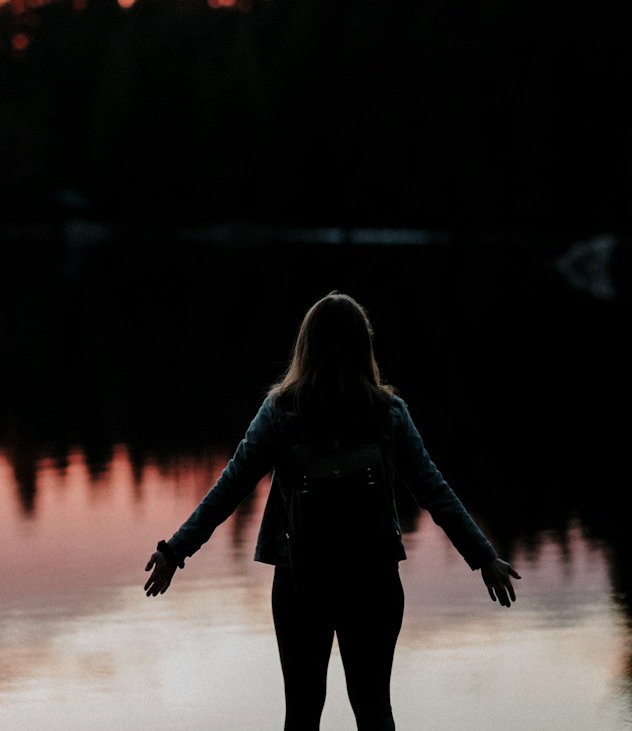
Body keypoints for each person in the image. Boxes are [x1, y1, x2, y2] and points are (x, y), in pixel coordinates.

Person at [142, 292, 518, 731]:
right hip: (373, 580)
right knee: (374, 710)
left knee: (302, 714)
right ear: (364, 348)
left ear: (306, 346)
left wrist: (174, 552)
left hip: (300, 580)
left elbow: (231, 487)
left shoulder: (281, 413)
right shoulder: (388, 413)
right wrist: (484, 557)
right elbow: (433, 491)